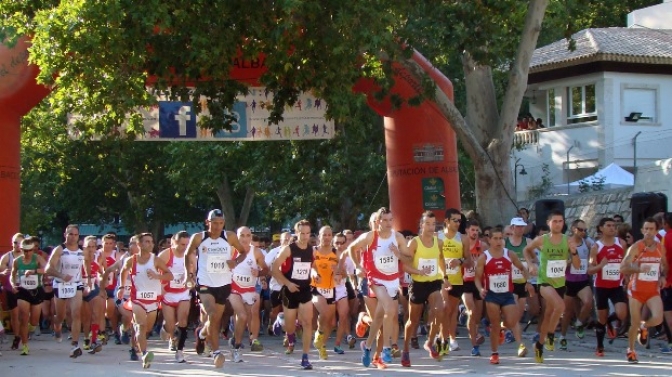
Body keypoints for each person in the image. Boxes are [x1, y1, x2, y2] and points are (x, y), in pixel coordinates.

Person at [346, 207, 411, 368]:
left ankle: (367, 348)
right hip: (375, 279)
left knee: (379, 318)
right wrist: (357, 267)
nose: (389, 223)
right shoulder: (370, 236)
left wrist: (398, 254)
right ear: (378, 222)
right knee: (390, 309)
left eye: (391, 220)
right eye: (385, 220)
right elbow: (351, 248)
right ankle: (386, 349)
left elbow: (409, 258)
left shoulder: (398, 237)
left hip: (392, 280)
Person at [185, 209, 248, 368]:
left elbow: (242, 253)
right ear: (208, 222)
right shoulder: (199, 237)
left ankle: (202, 333)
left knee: (215, 320)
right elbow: (187, 255)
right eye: (214, 223)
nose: (218, 226)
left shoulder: (230, 237)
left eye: (221, 223)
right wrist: (189, 275)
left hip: (223, 283)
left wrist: (236, 262)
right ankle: (216, 352)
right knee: (212, 313)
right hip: (205, 282)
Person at [523, 210, 582, 363]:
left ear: (563, 223)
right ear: (549, 223)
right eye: (554, 221)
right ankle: (550, 335)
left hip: (560, 283)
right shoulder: (542, 240)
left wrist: (574, 252)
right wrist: (530, 264)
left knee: (549, 315)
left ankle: (539, 345)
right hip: (545, 282)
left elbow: (577, 265)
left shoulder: (567, 240)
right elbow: (526, 250)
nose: (557, 224)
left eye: (560, 221)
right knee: (561, 307)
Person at [475, 228, 530, 364]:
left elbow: (522, 268)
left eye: (501, 238)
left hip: (507, 294)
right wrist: (481, 288)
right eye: (495, 238)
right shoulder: (484, 257)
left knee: (512, 321)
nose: (499, 241)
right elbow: (477, 277)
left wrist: (527, 281)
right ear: (489, 240)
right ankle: (494, 354)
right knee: (494, 325)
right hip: (491, 295)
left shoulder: (509, 254)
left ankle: (502, 329)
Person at [118, 232, 173, 369]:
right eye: (147, 241)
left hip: (153, 300)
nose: (150, 244)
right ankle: (144, 354)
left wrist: (157, 276)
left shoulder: (156, 260)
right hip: (137, 299)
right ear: (139, 244)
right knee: (141, 326)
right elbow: (123, 271)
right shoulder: (132, 260)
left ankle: (133, 341)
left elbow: (170, 275)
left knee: (147, 329)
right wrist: (121, 287)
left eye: (151, 242)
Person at [620, 217, 668, 363]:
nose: (648, 232)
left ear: (656, 231)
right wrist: (639, 268)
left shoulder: (660, 248)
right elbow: (623, 267)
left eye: (651, 229)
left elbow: (665, 266)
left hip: (653, 289)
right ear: (642, 230)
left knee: (658, 318)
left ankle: (645, 326)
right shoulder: (636, 247)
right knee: (634, 323)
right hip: (636, 290)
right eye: (645, 229)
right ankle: (631, 350)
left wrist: (663, 277)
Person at [401, 211, 446, 367]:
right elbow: (405, 265)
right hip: (418, 284)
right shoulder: (414, 242)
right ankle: (405, 350)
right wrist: (418, 272)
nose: (431, 227)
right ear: (421, 225)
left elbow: (441, 260)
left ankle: (430, 342)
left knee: (440, 310)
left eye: (433, 224)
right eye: (427, 223)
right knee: (413, 321)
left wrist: (444, 276)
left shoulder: (438, 242)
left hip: (434, 282)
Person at [272, 219, 316, 370]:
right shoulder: (289, 249)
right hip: (290, 290)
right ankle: (283, 325)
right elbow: (274, 268)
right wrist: (287, 283)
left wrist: (316, 274)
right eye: (301, 233)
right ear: (296, 233)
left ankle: (305, 357)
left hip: (305, 290)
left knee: (308, 323)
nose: (305, 236)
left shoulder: (312, 250)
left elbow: (313, 266)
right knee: (290, 327)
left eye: (307, 233)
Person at [45, 224, 91, 358]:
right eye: (70, 234)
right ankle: (57, 325)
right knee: (61, 315)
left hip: (75, 284)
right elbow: (48, 268)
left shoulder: (83, 251)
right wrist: (61, 276)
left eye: (76, 235)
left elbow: (87, 264)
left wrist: (87, 280)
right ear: (65, 235)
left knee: (76, 313)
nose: (73, 237)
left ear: (78, 236)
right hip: (60, 284)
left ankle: (74, 345)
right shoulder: (59, 250)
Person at [588, 217, 628, 357]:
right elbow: (590, 270)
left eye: (614, 226)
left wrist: (627, 278)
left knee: (622, 313)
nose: (612, 228)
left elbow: (625, 263)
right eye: (609, 225)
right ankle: (600, 346)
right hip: (601, 287)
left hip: (617, 285)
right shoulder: (596, 247)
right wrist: (600, 265)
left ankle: (610, 323)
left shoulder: (621, 243)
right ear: (601, 228)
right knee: (601, 319)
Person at [229, 226, 268, 362]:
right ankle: (237, 349)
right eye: (242, 235)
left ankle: (236, 340)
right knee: (242, 315)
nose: (245, 239)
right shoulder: (231, 250)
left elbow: (266, 269)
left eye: (248, 235)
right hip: (233, 288)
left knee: (245, 318)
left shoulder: (256, 252)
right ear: (237, 237)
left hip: (249, 289)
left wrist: (259, 273)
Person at [438, 208, 472, 355]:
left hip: (457, 280)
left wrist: (459, 260)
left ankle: (451, 338)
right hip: (440, 279)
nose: (458, 223)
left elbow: (469, 259)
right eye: (455, 220)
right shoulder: (437, 236)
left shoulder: (463, 238)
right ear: (446, 221)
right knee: (444, 309)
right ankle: (442, 339)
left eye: (460, 220)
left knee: (451, 311)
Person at [559, 220, 594, 350]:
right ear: (574, 229)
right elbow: (561, 261)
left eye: (585, 230)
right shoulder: (567, 242)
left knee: (588, 302)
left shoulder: (587, 242)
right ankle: (562, 336)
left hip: (582, 280)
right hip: (568, 281)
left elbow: (593, 255)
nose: (583, 232)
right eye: (580, 230)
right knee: (567, 313)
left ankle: (579, 322)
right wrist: (572, 261)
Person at [157, 231, 191, 363]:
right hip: (168, 293)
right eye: (182, 244)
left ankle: (180, 351)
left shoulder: (190, 255)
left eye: (187, 244)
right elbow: (155, 271)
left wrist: (190, 277)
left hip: (183, 292)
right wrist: (161, 286)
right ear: (174, 242)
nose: (184, 247)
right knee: (171, 324)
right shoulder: (165, 255)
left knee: (183, 321)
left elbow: (195, 270)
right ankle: (169, 332)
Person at [10, 237, 47, 356]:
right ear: (21, 250)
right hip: (23, 290)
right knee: (23, 318)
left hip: (36, 290)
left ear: (33, 250)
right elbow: (12, 274)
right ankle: (25, 345)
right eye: (25, 251)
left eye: (30, 250)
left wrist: (34, 271)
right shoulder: (17, 261)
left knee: (34, 321)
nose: (27, 253)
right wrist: (12, 284)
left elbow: (47, 269)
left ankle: (31, 329)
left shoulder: (37, 258)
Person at [505, 217, 534, 344]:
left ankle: (507, 328)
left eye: (522, 226)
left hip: (523, 281)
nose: (521, 229)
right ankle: (514, 336)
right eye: (518, 226)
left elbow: (534, 258)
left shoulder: (528, 242)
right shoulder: (505, 243)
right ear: (512, 228)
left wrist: (530, 265)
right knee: (514, 306)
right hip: (509, 282)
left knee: (520, 311)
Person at [0, 232, 25, 351]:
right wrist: (4, 272)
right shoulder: (7, 257)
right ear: (12, 243)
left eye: (20, 243)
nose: (17, 245)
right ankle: (17, 337)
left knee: (24, 314)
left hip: (26, 288)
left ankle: (24, 333)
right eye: (15, 242)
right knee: (14, 314)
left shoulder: (29, 257)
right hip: (11, 288)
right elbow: (2, 268)